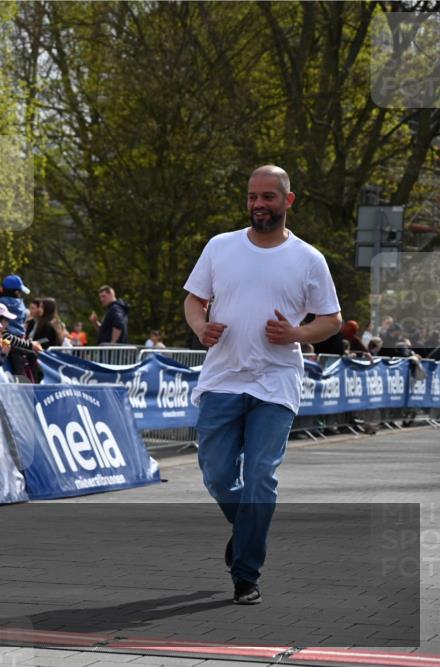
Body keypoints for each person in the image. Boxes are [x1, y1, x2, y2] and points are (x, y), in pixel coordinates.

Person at [183, 165, 340, 605]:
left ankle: (246, 573)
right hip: (223, 379)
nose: (258, 204)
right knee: (216, 476)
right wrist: (201, 327)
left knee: (259, 477)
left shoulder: (309, 259)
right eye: (253, 196)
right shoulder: (221, 247)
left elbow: (329, 320)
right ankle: (247, 530)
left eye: (268, 197)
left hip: (276, 383)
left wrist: (297, 334)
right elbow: (195, 300)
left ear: (288, 201)